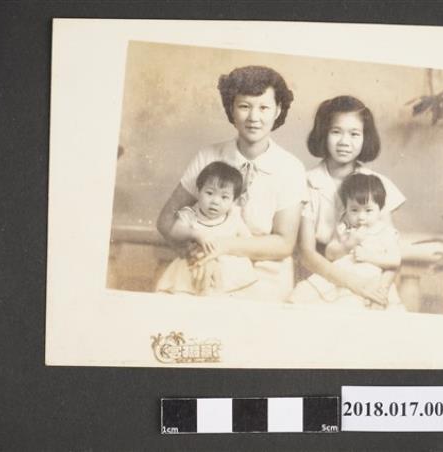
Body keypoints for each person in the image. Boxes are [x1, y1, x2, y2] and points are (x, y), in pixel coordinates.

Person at [156, 66, 306, 302]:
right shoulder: (208, 156)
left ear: (278, 110)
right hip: (205, 270)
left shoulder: (291, 167)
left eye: (264, 108)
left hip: (266, 278)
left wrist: (222, 245)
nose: (254, 117)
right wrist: (192, 252)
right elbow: (166, 220)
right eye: (244, 106)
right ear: (231, 109)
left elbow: (284, 244)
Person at [293, 95, 406, 307]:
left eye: (354, 134)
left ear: (365, 137)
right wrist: (354, 284)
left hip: (373, 280)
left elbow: (391, 254)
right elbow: (307, 254)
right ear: (323, 133)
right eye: (336, 132)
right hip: (322, 277)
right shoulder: (307, 183)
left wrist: (380, 292)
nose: (345, 142)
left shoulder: (377, 184)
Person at [288, 173, 403, 308]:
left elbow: (395, 260)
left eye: (368, 210)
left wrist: (369, 257)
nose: (361, 217)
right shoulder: (345, 228)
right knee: (301, 294)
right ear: (346, 208)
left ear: (380, 209)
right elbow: (330, 253)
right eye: (354, 210)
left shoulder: (385, 232)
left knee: (351, 304)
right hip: (342, 275)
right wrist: (348, 245)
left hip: (370, 276)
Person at [155, 161, 257, 295]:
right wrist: (195, 234)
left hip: (226, 267)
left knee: (226, 296)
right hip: (193, 265)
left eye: (224, 197)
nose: (215, 201)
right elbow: (174, 231)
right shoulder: (190, 214)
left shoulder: (233, 218)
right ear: (198, 192)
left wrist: (230, 248)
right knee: (184, 293)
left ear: (233, 201)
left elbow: (248, 242)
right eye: (209, 193)